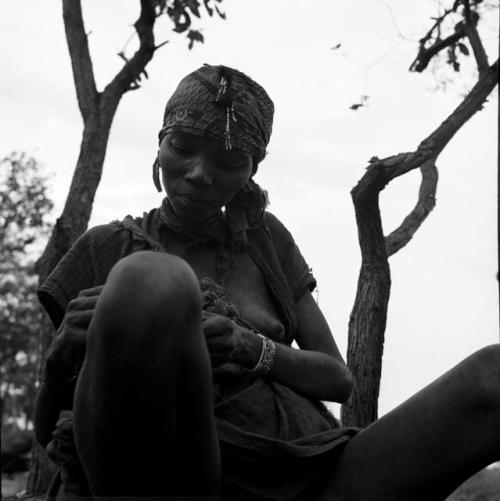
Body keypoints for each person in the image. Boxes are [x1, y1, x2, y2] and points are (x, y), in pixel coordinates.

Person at [34, 64, 500, 501]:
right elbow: (48, 428)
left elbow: (338, 380)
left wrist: (247, 345)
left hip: (314, 473)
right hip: (171, 477)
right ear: (159, 144)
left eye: (230, 159)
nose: (199, 173)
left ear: (252, 169)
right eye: (181, 146)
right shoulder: (107, 249)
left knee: (491, 376)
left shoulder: (266, 240)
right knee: (151, 279)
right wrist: (59, 363)